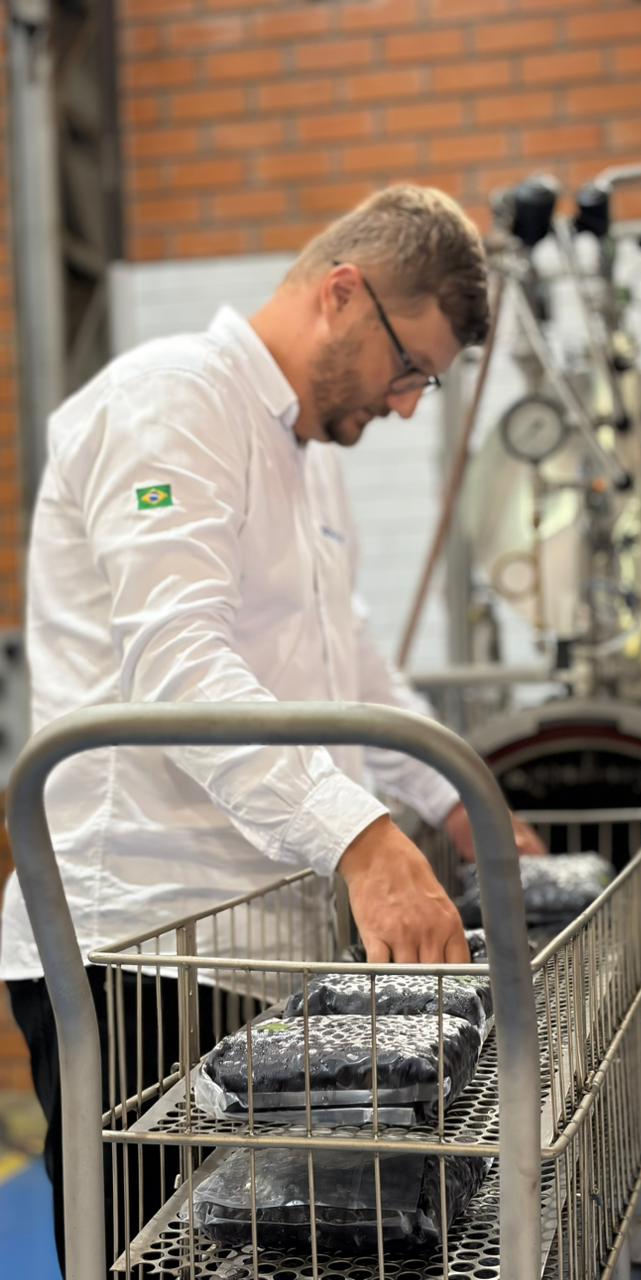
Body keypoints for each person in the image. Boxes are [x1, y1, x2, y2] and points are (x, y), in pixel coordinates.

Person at [1, 183, 542, 1271]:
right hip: (144, 950)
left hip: (257, 955)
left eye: (426, 384)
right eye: (409, 369)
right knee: (156, 1256)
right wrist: (360, 839)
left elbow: (353, 670)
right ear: (342, 293)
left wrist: (455, 799)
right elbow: (176, 665)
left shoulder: (303, 461)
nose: (406, 407)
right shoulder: (170, 404)